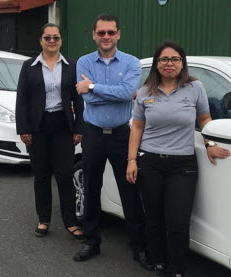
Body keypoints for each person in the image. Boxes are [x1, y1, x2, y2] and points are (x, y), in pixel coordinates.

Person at [126, 40, 230, 277]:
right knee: (153, 218)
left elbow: (205, 120)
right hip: (150, 162)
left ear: (182, 63)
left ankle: (176, 269)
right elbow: (137, 128)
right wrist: (132, 160)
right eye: (164, 59)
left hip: (182, 164)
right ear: (157, 64)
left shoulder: (195, 88)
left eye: (175, 59)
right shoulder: (145, 92)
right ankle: (159, 262)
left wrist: (210, 142)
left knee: (178, 222)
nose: (169, 63)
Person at [73, 13, 152, 270]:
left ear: (118, 34)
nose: (106, 37)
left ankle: (139, 247)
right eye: (101, 32)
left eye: (110, 32)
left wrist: (93, 87)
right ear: (94, 35)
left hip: (122, 135)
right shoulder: (84, 61)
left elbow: (127, 93)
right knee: (91, 188)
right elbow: (91, 100)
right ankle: (91, 241)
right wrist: (109, 93)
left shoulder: (131, 63)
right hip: (93, 133)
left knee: (130, 190)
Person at [16, 23, 85, 239]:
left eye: (56, 37)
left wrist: (79, 127)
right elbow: (22, 100)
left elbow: (78, 100)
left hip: (63, 126)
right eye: (48, 37)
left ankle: (71, 222)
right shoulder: (29, 66)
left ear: (61, 40)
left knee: (65, 175)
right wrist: (23, 128)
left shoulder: (71, 66)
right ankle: (43, 220)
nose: (52, 41)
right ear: (41, 41)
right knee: (41, 175)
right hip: (38, 127)